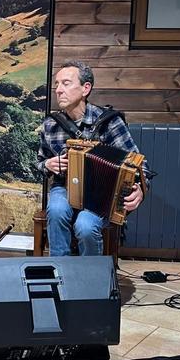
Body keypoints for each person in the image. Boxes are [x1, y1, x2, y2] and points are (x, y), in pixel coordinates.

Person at [37, 60, 149, 257]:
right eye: (56, 84)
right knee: (56, 210)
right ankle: (60, 273)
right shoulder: (50, 124)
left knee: (85, 226)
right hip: (64, 187)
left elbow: (140, 165)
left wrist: (141, 188)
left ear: (85, 88)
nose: (58, 90)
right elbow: (39, 162)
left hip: (103, 194)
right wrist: (47, 164)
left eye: (66, 83)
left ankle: (90, 280)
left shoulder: (109, 122)